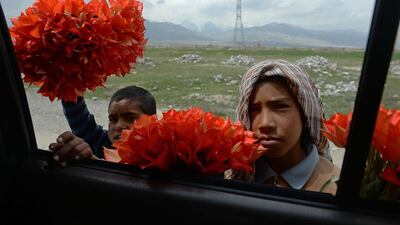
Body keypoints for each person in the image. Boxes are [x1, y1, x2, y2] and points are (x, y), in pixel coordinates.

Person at [225, 59, 340, 195]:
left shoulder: (335, 186)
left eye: (280, 107)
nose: (265, 123)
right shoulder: (232, 178)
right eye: (254, 110)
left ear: (305, 114)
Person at [49, 85, 157, 167]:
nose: (118, 126)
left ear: (152, 121)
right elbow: (75, 111)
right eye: (113, 119)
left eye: (130, 118)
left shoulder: (162, 154)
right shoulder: (100, 142)